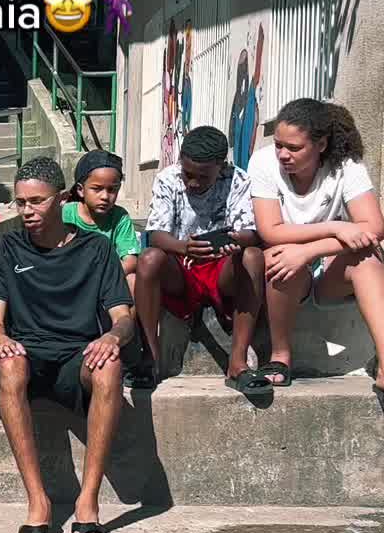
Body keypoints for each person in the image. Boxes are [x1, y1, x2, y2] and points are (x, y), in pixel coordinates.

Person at [0, 156, 134, 533]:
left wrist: (112, 337)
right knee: (8, 363)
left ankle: (88, 501)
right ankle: (39, 502)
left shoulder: (97, 248)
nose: (26, 210)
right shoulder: (7, 246)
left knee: (110, 364)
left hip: (76, 358)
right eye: (20, 202)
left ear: (62, 198)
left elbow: (124, 318)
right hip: (29, 356)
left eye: (37, 201)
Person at [248, 98, 384, 401]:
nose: (283, 154)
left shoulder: (346, 166)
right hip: (284, 272)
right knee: (280, 258)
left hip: (328, 274)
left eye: (294, 148)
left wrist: (309, 251)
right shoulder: (263, 162)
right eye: (279, 145)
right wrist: (335, 227)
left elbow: (374, 226)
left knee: (366, 256)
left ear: (321, 145)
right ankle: (280, 354)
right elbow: (271, 231)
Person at [133, 125, 268, 395]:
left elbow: (252, 233)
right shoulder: (168, 179)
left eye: (203, 176)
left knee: (253, 256)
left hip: (222, 268)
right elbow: (156, 235)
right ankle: (150, 357)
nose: (193, 183)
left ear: (221, 167)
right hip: (182, 267)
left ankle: (237, 362)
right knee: (148, 259)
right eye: (188, 174)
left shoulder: (238, 180)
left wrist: (234, 240)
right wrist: (184, 247)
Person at [63, 151, 139, 302]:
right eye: (97, 189)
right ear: (80, 190)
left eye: (112, 190)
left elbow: (130, 261)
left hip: (107, 281)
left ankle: (126, 318)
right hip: (71, 281)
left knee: (132, 280)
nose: (105, 196)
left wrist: (100, 278)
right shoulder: (65, 214)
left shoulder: (120, 217)